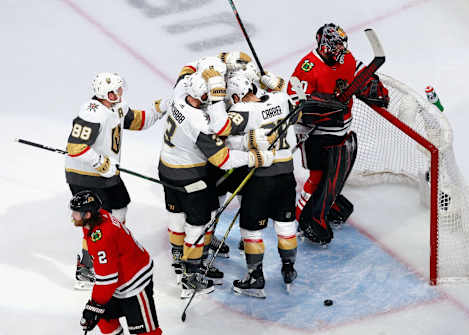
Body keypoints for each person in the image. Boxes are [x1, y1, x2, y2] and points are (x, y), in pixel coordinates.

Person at [159, 71, 275, 298]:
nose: (216, 99)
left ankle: (180, 260)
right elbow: (222, 159)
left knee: (179, 215)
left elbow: (186, 72)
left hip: (167, 167)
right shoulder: (199, 122)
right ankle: (190, 277)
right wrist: (255, 157)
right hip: (189, 177)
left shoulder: (179, 95)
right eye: (211, 95)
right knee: (197, 225)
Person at [286, 23, 389, 245]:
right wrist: (316, 107)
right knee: (317, 176)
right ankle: (301, 218)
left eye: (342, 44)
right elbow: (294, 101)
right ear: (323, 45)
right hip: (316, 134)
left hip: (342, 129)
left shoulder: (345, 57)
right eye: (335, 45)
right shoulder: (307, 67)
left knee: (334, 175)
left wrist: (373, 86)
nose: (340, 49)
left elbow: (360, 72)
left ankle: (326, 205)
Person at [65, 72, 166, 289]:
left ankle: (110, 250)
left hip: (106, 174)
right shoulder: (92, 113)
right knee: (97, 221)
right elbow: (75, 147)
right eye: (116, 90)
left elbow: (137, 121)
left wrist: (160, 109)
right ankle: (87, 267)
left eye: (121, 89)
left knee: (120, 206)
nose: (120, 93)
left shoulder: (117, 106)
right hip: (85, 176)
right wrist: (100, 163)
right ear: (105, 92)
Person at [223, 73, 297, 297]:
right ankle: (289, 268)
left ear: (236, 95)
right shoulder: (281, 99)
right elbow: (299, 112)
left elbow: (222, 134)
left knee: (251, 228)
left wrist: (244, 141)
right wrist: (282, 86)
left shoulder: (242, 110)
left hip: (261, 178)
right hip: (287, 174)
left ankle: (255, 277)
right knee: (285, 224)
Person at [70, 190, 162, 335]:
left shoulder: (101, 238)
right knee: (102, 317)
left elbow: (107, 279)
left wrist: (93, 305)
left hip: (135, 282)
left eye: (76, 212)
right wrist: (95, 306)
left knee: (146, 332)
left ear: (87, 214)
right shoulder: (97, 218)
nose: (72, 216)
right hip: (119, 281)